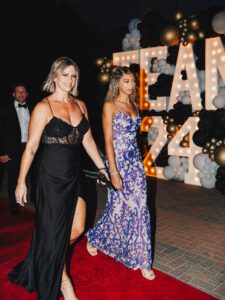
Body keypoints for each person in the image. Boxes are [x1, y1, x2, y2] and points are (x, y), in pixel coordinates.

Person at [8, 57, 108, 300]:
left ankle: (44, 256)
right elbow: (31, 148)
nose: (70, 79)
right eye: (65, 74)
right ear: (54, 76)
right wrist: (21, 181)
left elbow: (88, 140)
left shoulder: (80, 105)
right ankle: (63, 281)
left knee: (77, 228)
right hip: (50, 178)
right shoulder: (44, 107)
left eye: (73, 75)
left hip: (75, 176)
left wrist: (104, 168)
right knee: (54, 233)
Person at [87, 66, 155, 280]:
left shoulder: (134, 105)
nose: (131, 85)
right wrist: (113, 171)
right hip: (118, 163)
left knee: (140, 208)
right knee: (117, 207)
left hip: (135, 163)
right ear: (117, 83)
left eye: (133, 81)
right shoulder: (110, 105)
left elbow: (135, 138)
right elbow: (108, 140)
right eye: (127, 81)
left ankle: (143, 260)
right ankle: (95, 238)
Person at [0, 85, 31, 214]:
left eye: (23, 92)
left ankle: (34, 199)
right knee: (13, 178)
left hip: (30, 147)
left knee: (33, 176)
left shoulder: (34, 108)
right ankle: (13, 203)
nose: (21, 94)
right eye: (18, 92)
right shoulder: (4, 111)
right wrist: (2, 152)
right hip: (13, 149)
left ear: (27, 94)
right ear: (14, 94)